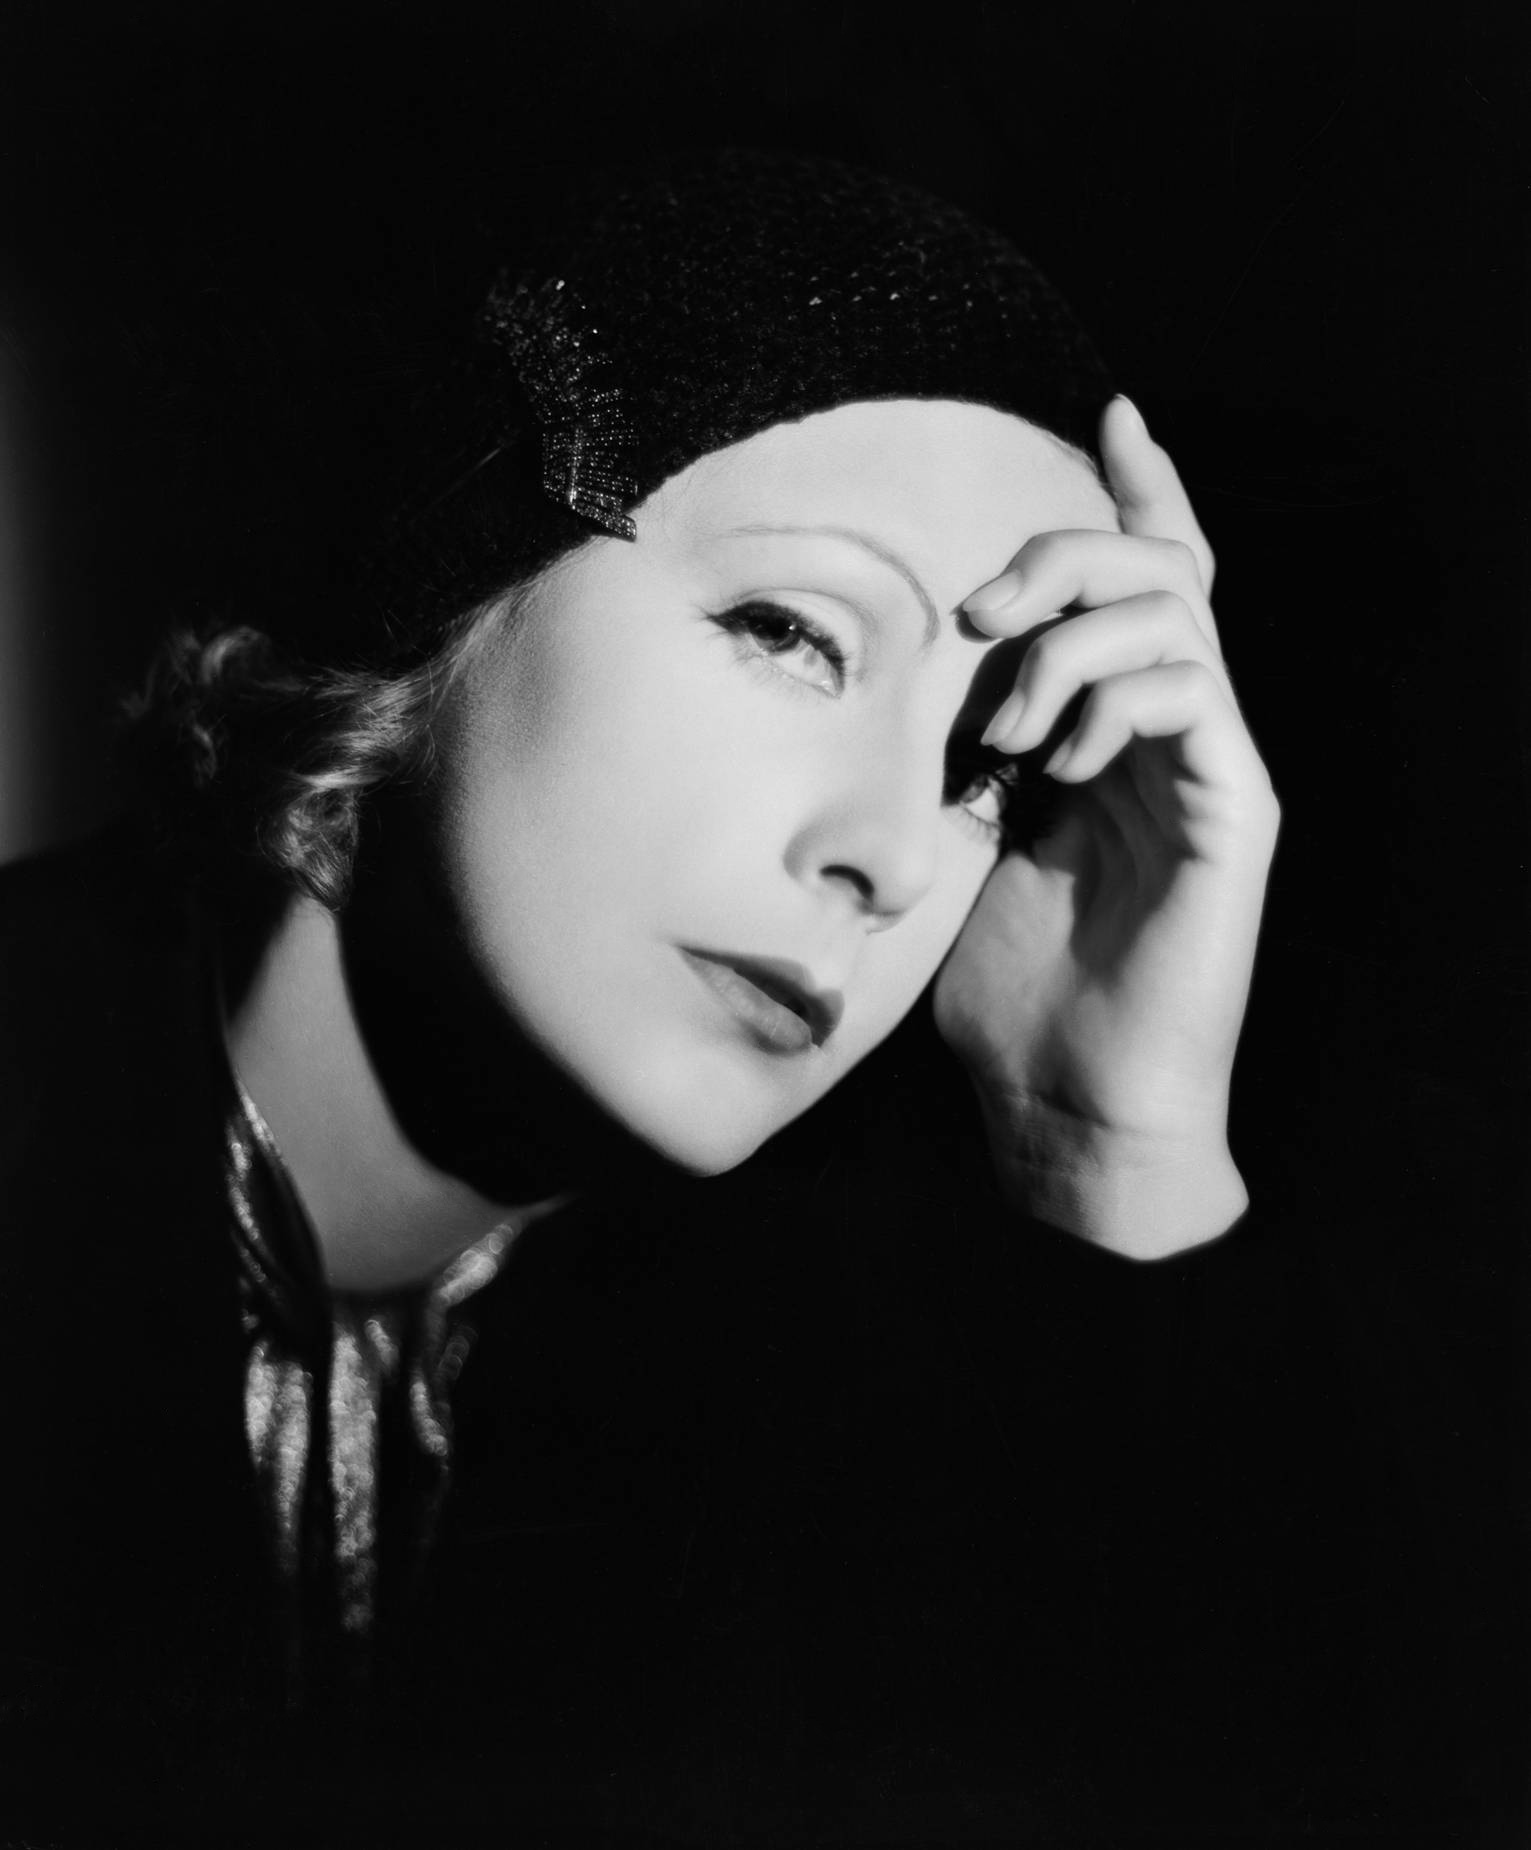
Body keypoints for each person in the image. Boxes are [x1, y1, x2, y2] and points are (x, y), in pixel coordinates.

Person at [0, 150, 1514, 1847]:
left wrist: (1115, 1150)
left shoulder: (805, 1396)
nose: (894, 852)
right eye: (792, 631)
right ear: (445, 587)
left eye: (990, 767)